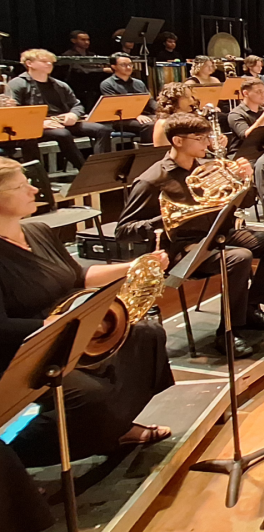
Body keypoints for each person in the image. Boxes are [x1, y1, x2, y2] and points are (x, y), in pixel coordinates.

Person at [0, 157, 174, 466]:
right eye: (20, 186)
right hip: (28, 351)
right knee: (90, 396)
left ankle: (116, 427)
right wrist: (59, 325)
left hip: (74, 332)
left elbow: (78, 276)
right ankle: (14, 460)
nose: (33, 190)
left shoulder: (38, 230)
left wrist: (134, 266)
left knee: (147, 335)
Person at [117, 113, 264, 357]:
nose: (207, 143)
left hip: (217, 235)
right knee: (239, 257)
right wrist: (167, 219)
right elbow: (124, 231)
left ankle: (250, 309)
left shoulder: (208, 168)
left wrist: (246, 180)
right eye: (199, 138)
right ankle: (228, 332)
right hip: (182, 250)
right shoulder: (152, 180)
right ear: (178, 141)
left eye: (207, 137)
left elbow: (244, 202)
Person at [6, 48, 112, 169]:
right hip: (36, 125)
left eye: (51, 62)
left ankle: (101, 167)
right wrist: (40, 123)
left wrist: (73, 115)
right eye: (44, 61)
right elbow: (14, 111)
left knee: (102, 129)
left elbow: (76, 105)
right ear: (29, 63)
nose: (49, 64)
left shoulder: (59, 85)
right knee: (63, 134)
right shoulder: (17, 84)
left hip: (60, 121)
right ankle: (84, 170)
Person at [100, 52, 156, 144]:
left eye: (130, 64)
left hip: (143, 116)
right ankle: (147, 150)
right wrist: (136, 116)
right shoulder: (107, 84)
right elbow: (116, 106)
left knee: (165, 121)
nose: (129, 67)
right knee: (149, 125)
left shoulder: (139, 83)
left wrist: (163, 112)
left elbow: (150, 101)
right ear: (114, 66)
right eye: (124, 65)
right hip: (121, 119)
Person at [226, 77, 264, 163]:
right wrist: (263, 118)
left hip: (262, 152)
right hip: (241, 156)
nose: (263, 95)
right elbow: (246, 136)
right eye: (258, 92)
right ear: (246, 93)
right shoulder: (236, 114)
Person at [151, 82, 201, 147]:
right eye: (186, 97)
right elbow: (162, 150)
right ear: (174, 100)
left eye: (191, 97)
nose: (192, 101)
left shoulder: (190, 120)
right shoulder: (163, 123)